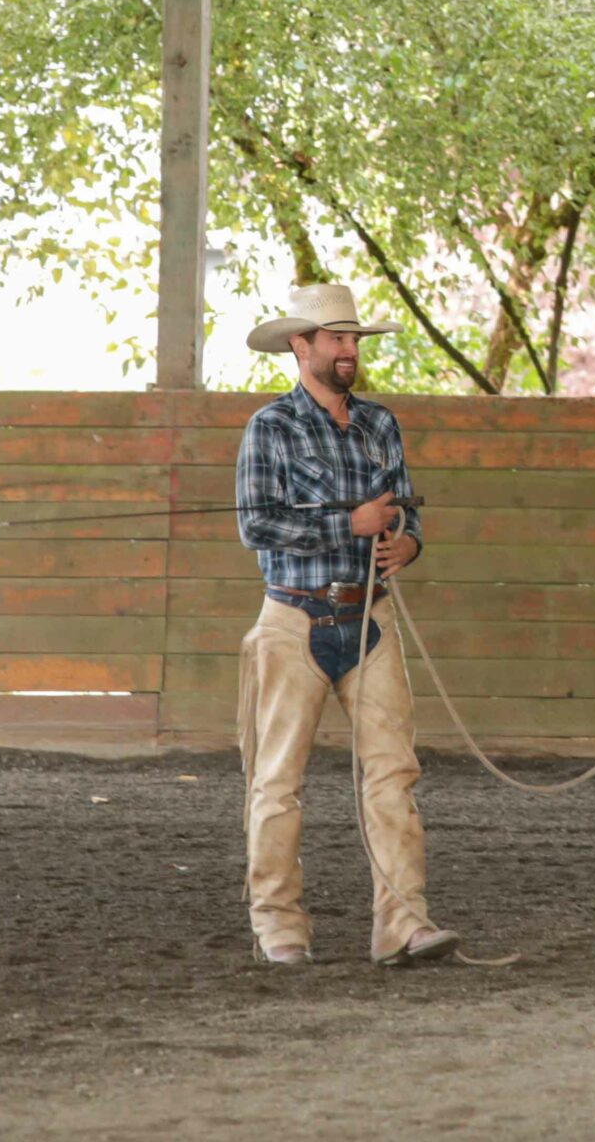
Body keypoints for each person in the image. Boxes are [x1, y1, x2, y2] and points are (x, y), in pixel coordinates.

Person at [233, 282, 459, 968]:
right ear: (301, 347)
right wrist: (349, 524)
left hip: (371, 616)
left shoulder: (381, 425)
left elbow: (407, 511)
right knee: (276, 781)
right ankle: (280, 926)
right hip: (293, 620)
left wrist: (407, 542)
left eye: (353, 339)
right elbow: (255, 525)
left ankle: (404, 923)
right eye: (336, 339)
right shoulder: (269, 428)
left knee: (393, 774)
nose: (349, 350)